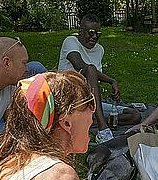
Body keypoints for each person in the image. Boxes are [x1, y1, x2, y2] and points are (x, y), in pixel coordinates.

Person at [58, 14, 140, 143]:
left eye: (98, 34)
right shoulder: (70, 41)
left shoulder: (99, 50)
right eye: (91, 33)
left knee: (134, 116)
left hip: (88, 102)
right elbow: (81, 66)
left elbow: (94, 78)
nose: (94, 37)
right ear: (81, 32)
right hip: (69, 99)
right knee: (90, 68)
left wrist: (111, 81)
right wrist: (111, 80)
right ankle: (103, 129)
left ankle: (91, 121)